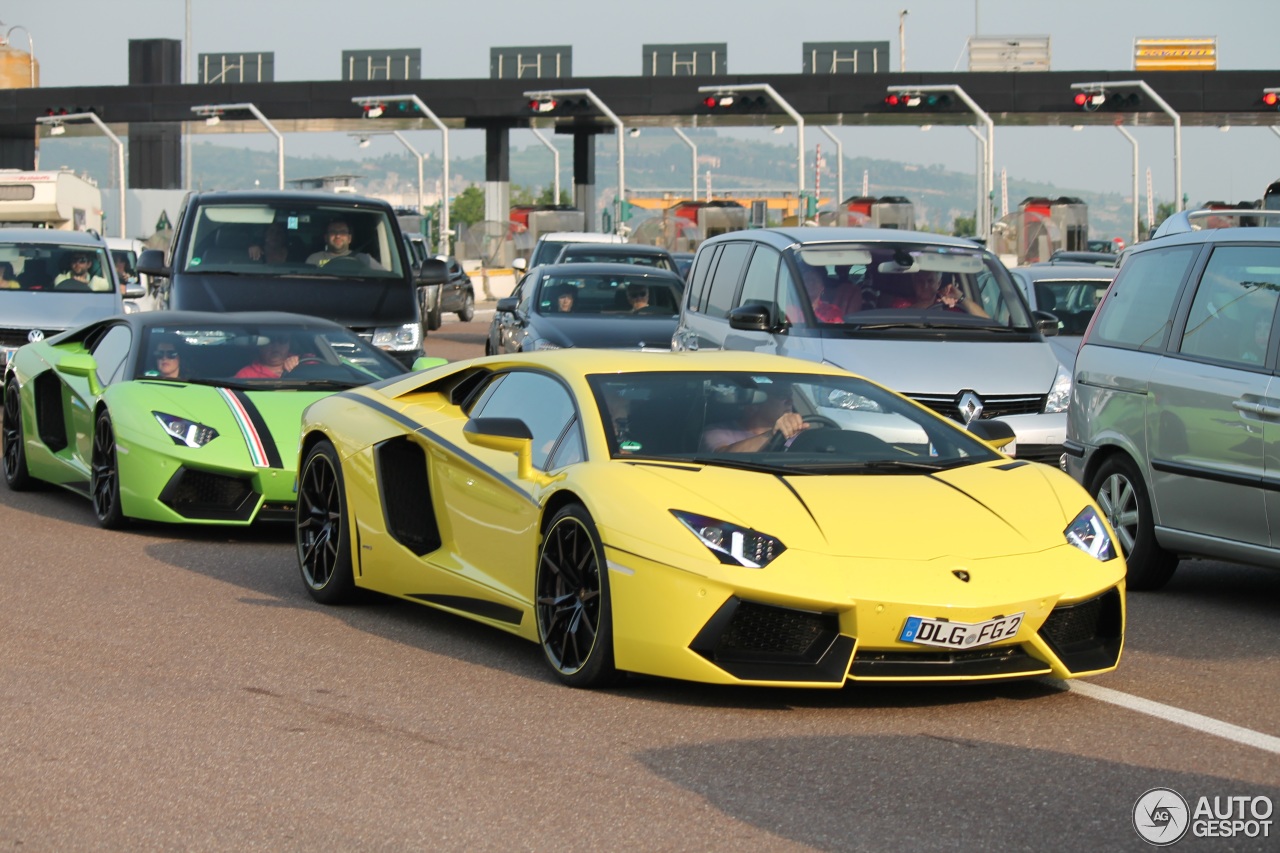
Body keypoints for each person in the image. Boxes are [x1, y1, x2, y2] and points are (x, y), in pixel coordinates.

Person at [700, 382, 809, 453]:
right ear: (753, 405)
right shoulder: (717, 432)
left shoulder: (795, 436)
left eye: (790, 396)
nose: (790, 401)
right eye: (781, 396)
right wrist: (772, 434)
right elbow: (723, 456)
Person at [887, 269, 989, 318]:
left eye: (930, 281)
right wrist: (928, 305)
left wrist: (961, 298)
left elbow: (986, 321)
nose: (925, 286)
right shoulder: (901, 304)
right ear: (914, 283)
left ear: (938, 283)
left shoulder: (951, 307)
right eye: (920, 281)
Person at [306, 219, 383, 269]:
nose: (338, 236)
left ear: (349, 238)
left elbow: (385, 278)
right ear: (326, 238)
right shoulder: (314, 259)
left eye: (342, 232)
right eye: (333, 232)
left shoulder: (364, 259)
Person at [235, 335, 300, 378]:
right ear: (260, 346)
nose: (276, 346)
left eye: (282, 340)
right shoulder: (246, 374)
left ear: (289, 345)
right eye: (270, 341)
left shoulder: (302, 361)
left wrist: (299, 361)